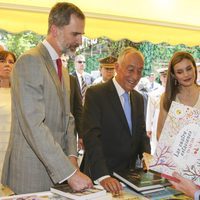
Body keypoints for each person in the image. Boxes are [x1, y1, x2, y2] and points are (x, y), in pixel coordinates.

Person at [1, 2, 93, 194]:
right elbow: (33, 125)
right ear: (55, 30)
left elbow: (67, 118)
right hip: (30, 174)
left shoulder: (63, 68)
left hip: (57, 174)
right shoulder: (30, 61)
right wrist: (70, 174)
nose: (80, 41)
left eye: (81, 34)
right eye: (75, 34)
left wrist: (71, 156)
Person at [81, 47, 151, 194]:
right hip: (101, 179)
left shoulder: (139, 98)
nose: (135, 76)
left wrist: (147, 158)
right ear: (117, 68)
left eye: (139, 71)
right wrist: (103, 176)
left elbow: (141, 134)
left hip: (128, 178)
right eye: (130, 69)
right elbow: (91, 138)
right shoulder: (96, 94)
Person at [157, 51, 200, 140]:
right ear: (174, 75)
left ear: (194, 68)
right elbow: (160, 134)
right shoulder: (167, 98)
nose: (186, 74)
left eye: (189, 69)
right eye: (180, 72)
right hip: (174, 153)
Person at [0, 51, 16, 178]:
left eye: (11, 62)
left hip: (15, 149)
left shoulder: (20, 92)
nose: (7, 65)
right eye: (2, 61)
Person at [146, 67, 167, 154]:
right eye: (164, 76)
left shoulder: (177, 92)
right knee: (156, 145)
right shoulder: (154, 93)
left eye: (168, 76)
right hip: (157, 121)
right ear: (161, 77)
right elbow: (150, 112)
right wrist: (148, 128)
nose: (166, 79)